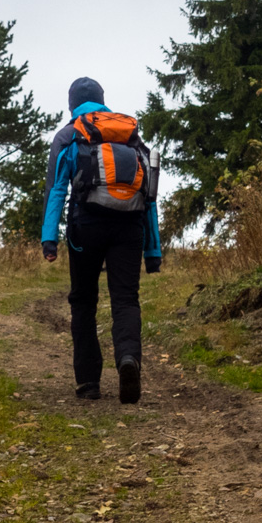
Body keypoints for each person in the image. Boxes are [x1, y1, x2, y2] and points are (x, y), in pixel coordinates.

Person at [40, 77, 163, 403]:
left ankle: (88, 382)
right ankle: (127, 358)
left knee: (83, 301)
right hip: (130, 225)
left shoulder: (69, 134)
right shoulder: (129, 136)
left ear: (72, 104)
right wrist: (153, 251)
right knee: (125, 298)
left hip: (86, 226)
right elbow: (149, 196)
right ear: (102, 100)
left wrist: (49, 239)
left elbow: (56, 189)